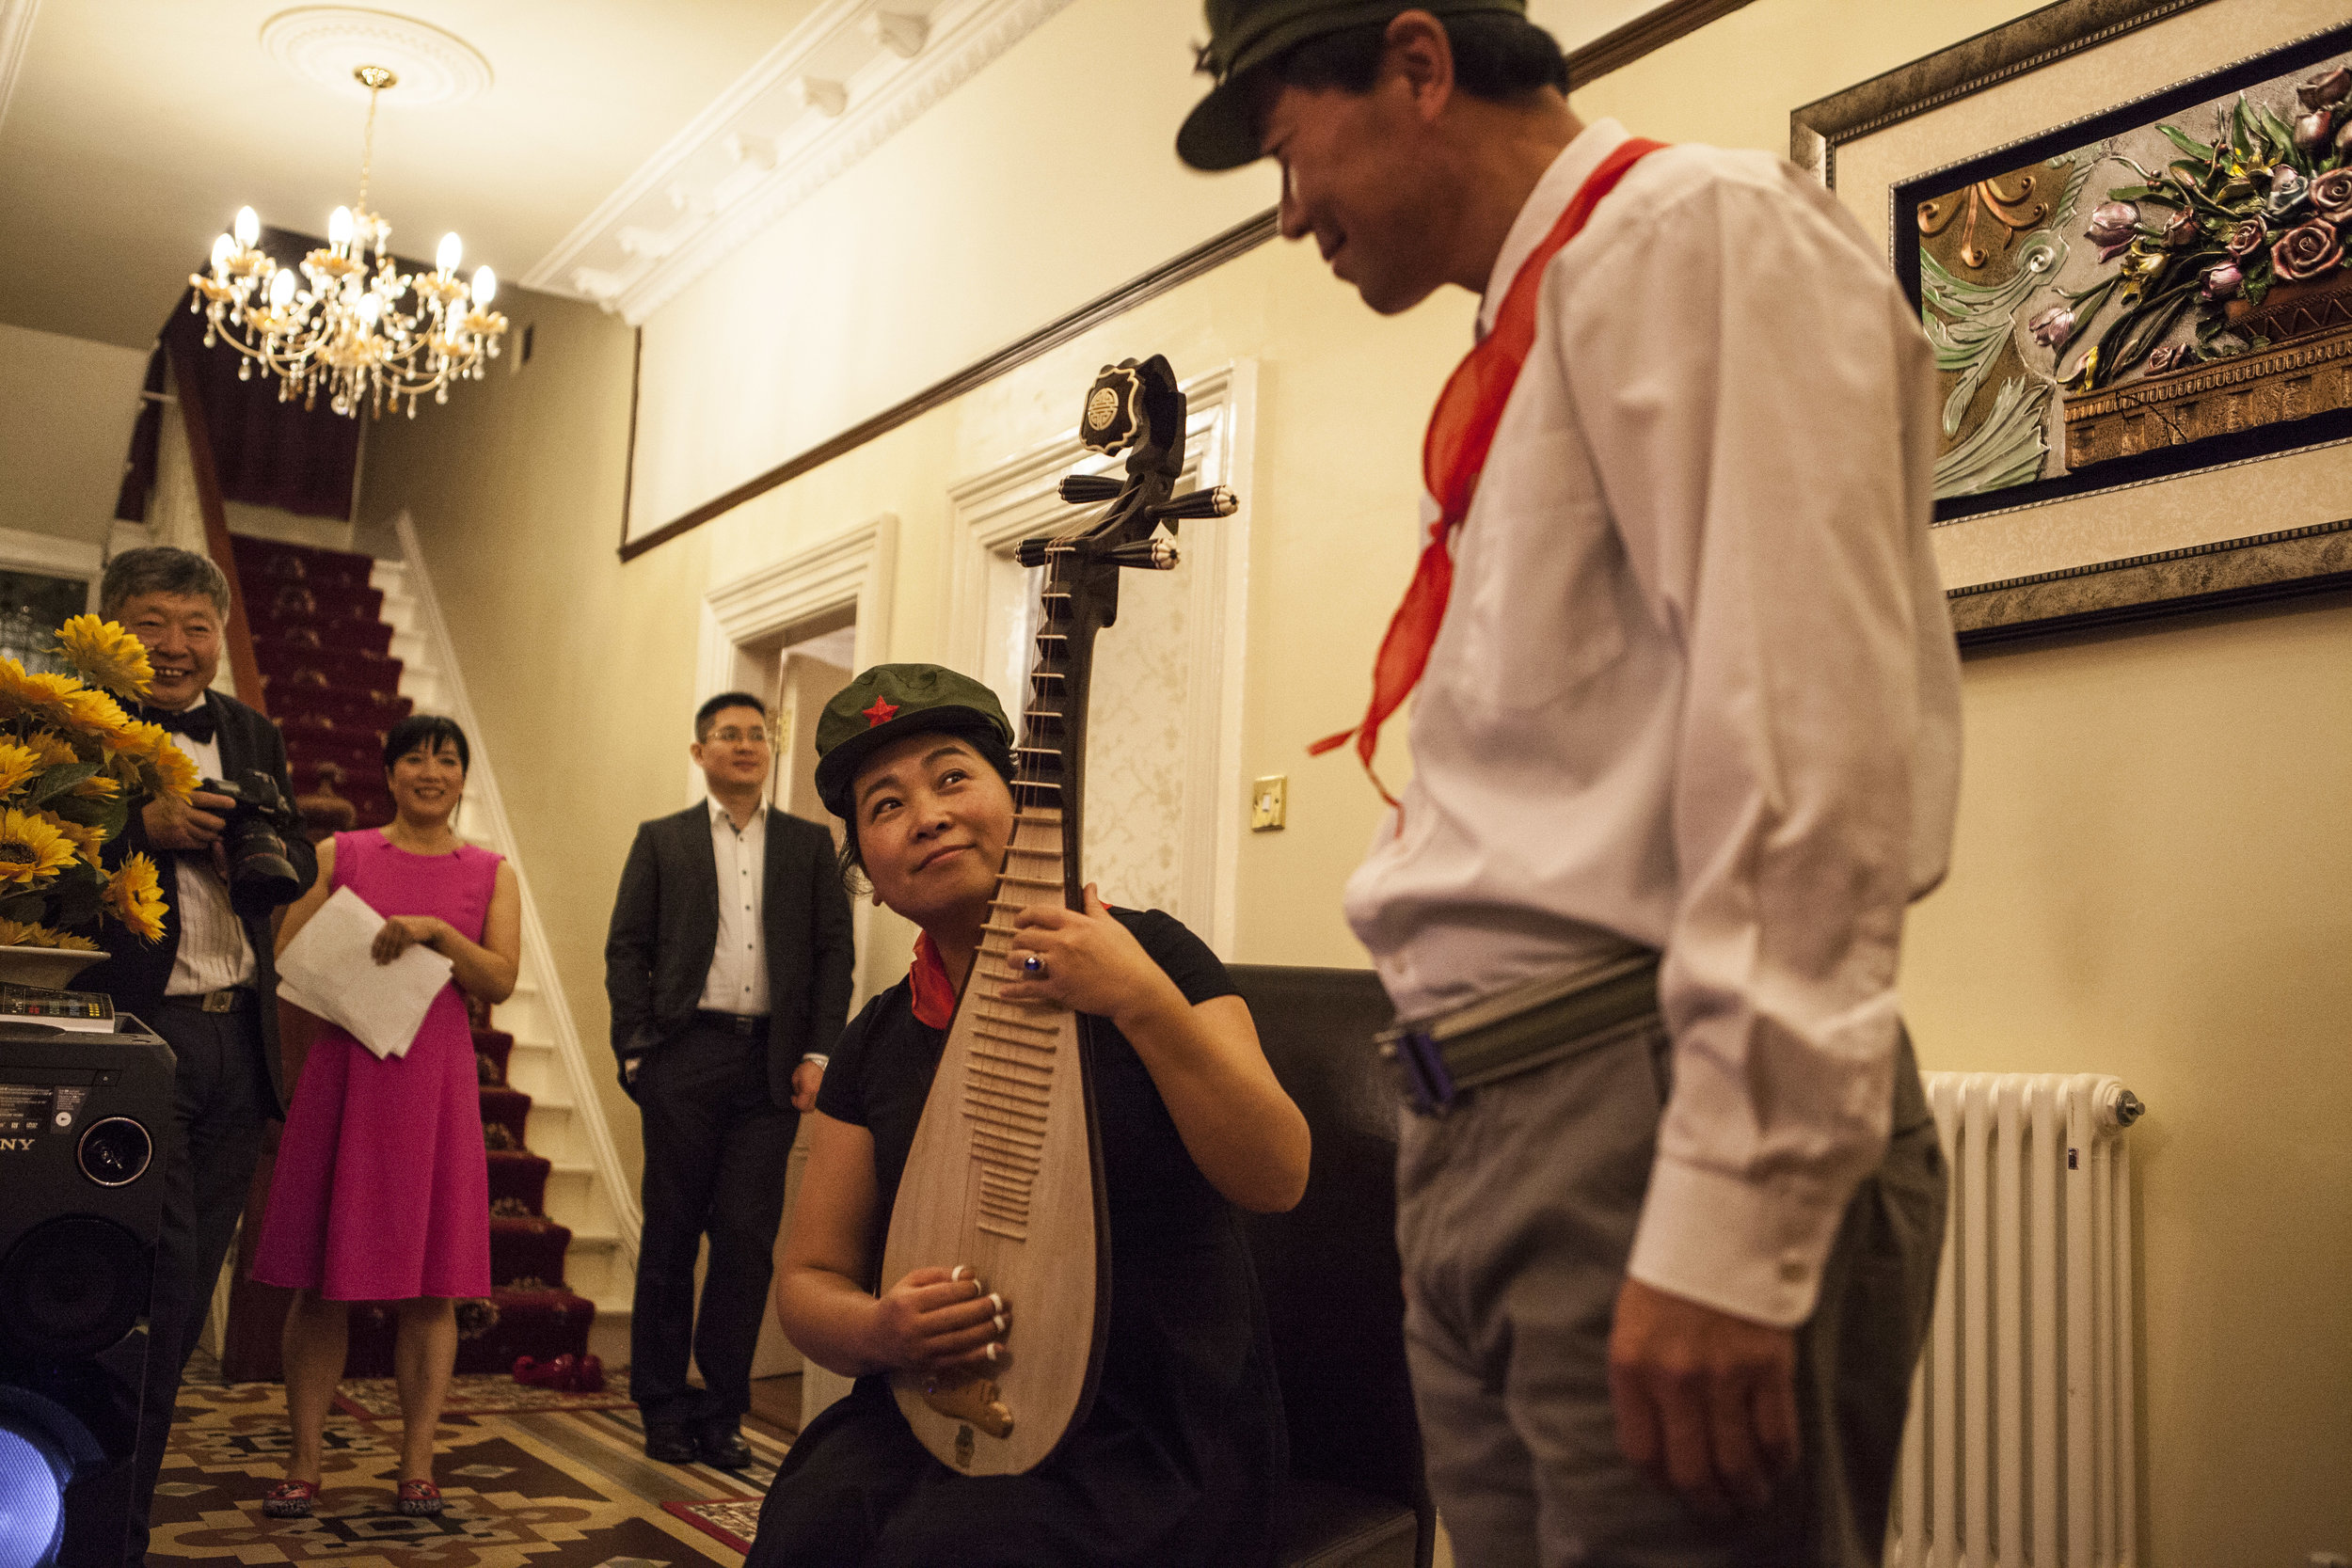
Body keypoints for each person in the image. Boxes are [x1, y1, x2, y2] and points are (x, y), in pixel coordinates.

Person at [1177, 5, 1961, 1563]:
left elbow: (1811, 751)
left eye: (1284, 154)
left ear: (1417, 63)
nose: (1288, 218)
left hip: (1639, 1101)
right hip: (1481, 1124)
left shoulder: (1695, 237)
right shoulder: (1520, 339)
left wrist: (1733, 1216)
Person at [746, 664, 1308, 1568]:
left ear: (1024, 805)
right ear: (871, 873)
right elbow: (809, 1275)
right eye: (884, 805)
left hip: (1152, 1423)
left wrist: (1141, 999)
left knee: (953, 1552)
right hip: (939, 1400)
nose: (926, 813)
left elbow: (1279, 1172)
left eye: (953, 775)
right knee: (810, 1523)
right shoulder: (878, 1038)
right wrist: (879, 1330)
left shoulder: (1154, 953)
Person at [79, 546, 317, 1565]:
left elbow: (298, 855)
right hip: (134, 1037)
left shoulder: (252, 729)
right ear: (112, 625)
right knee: (141, 1284)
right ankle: (98, 1526)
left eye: (196, 624)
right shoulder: (69, 722)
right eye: (152, 620)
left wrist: (250, 846)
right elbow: (25, 851)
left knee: (178, 1302)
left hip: (236, 1038)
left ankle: (108, 1515)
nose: (176, 645)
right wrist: (146, 823)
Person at [246, 714, 519, 1519]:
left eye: (446, 759)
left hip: (433, 1082)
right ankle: (303, 1461)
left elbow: (500, 979)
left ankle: (417, 1460)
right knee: (321, 1284)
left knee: (433, 1287)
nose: (431, 771)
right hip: (344, 1073)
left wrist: (437, 934)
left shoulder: (491, 871)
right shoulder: (345, 854)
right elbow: (287, 959)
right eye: (414, 757)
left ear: (463, 776)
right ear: (390, 771)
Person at [604, 691, 854, 1467]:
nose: (746, 745)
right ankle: (660, 1404)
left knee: (746, 1242)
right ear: (700, 752)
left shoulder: (811, 847)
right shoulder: (663, 840)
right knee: (672, 1235)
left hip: (769, 1069)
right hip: (683, 1057)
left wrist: (818, 1052)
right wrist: (638, 1049)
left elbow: (831, 957)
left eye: (757, 733)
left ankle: (721, 1410)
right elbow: (627, 948)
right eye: (728, 734)